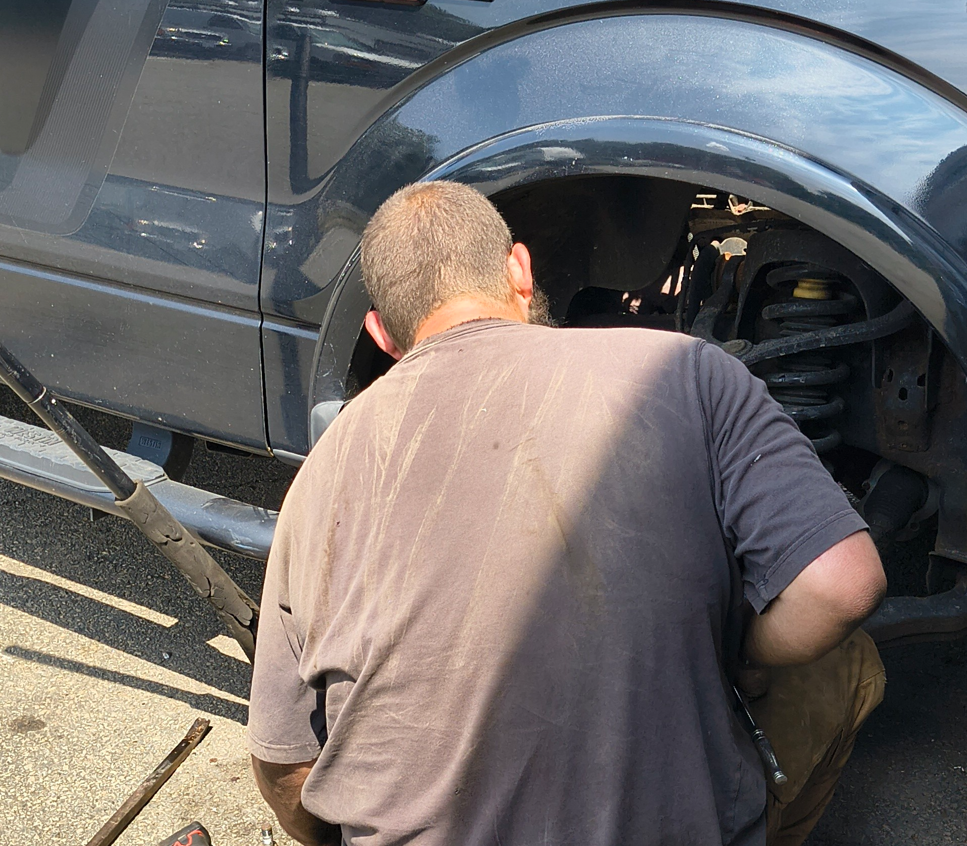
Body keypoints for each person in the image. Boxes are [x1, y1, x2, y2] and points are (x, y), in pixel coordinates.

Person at [246, 181, 887, 846]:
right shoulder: (684, 372)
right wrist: (733, 648)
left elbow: (284, 761)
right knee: (846, 665)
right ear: (519, 270)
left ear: (380, 333)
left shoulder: (328, 466)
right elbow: (843, 585)